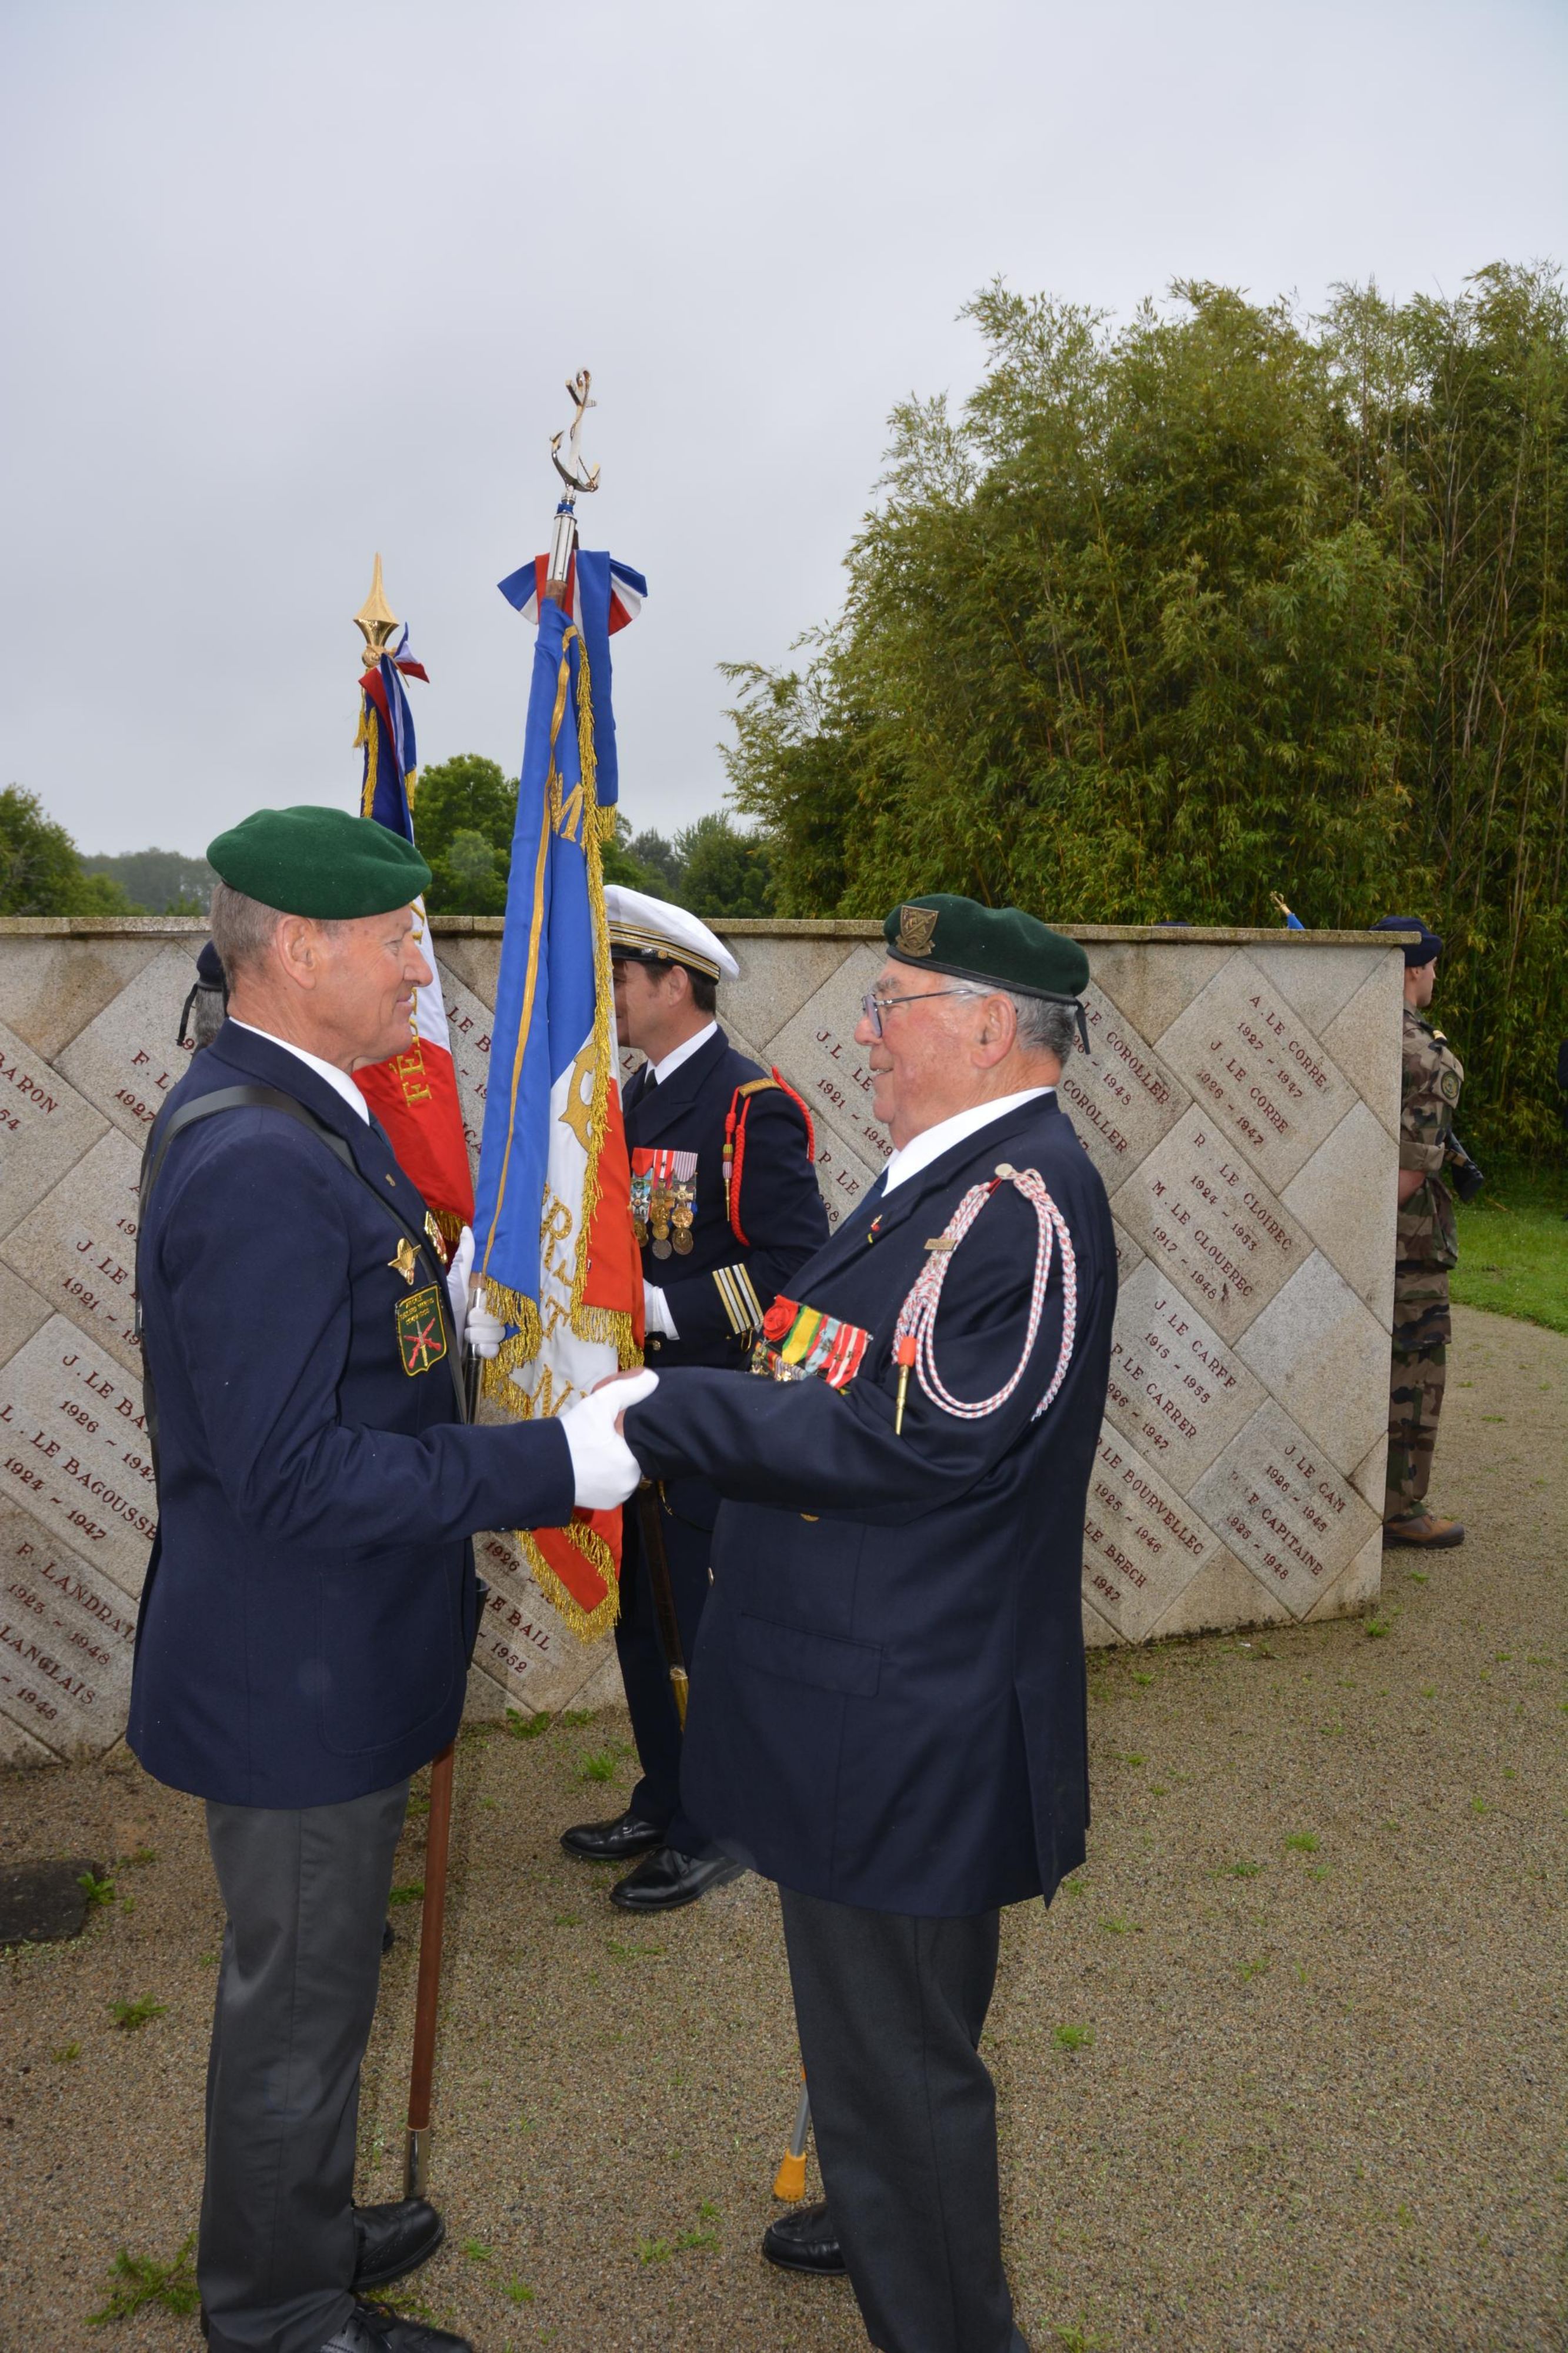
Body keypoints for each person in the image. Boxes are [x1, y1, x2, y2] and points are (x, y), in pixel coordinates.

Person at [128, 805, 650, 2353]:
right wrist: (553, 1463)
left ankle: (297, 2223)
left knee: (312, 1996)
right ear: (299, 950)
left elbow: (347, 1362)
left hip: (322, 1652)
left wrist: (447, 1333)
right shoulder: (259, 1158)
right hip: (293, 1675)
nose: (423, 972)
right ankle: (279, 2309)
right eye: (398, 941)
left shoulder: (299, 1109)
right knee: (295, 2011)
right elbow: (293, 1472)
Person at [614, 895, 1118, 2353]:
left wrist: (660, 1409)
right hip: (858, 1701)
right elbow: (820, 1367)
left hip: (900, 1722)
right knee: (881, 2051)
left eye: (889, 1001)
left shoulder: (1018, 1202)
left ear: (985, 1025)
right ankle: (878, 2200)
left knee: (903, 2074)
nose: (861, 1030)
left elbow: (924, 1442)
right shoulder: (939, 1181)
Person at [561, 885, 829, 1913]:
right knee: (644, 1613)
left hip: (709, 1409)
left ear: (675, 982)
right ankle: (667, 1795)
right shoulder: (631, 1095)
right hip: (634, 1404)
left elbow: (798, 1269)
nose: (611, 998)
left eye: (622, 979)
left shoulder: (750, 1105)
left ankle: (718, 1825)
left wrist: (661, 1306)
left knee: (701, 1625)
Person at [1372, 914, 1466, 1549]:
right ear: (1412, 970)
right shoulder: (1428, 1057)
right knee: (1413, 1371)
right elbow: (1408, 1175)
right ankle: (1400, 1508)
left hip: (1344, 1234)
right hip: (1406, 1246)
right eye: (1430, 965)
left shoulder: (1351, 1032)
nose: (1433, 977)